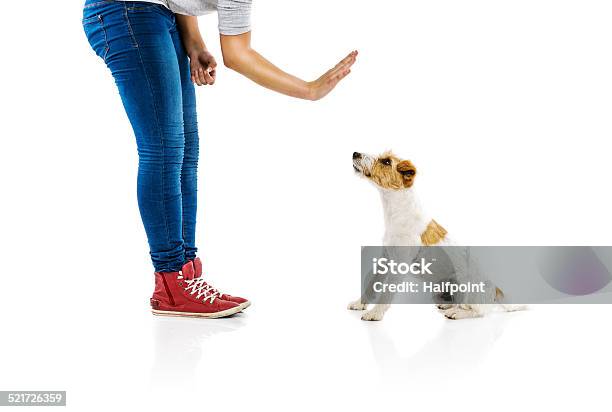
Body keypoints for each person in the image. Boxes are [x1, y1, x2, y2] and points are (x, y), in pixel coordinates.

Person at [82, 0, 357, 318]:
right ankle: (170, 283)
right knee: (163, 149)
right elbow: (239, 58)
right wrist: (309, 90)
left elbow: (236, 52)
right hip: (126, 10)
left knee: (186, 151)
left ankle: (185, 273)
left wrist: (195, 43)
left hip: (160, 14)